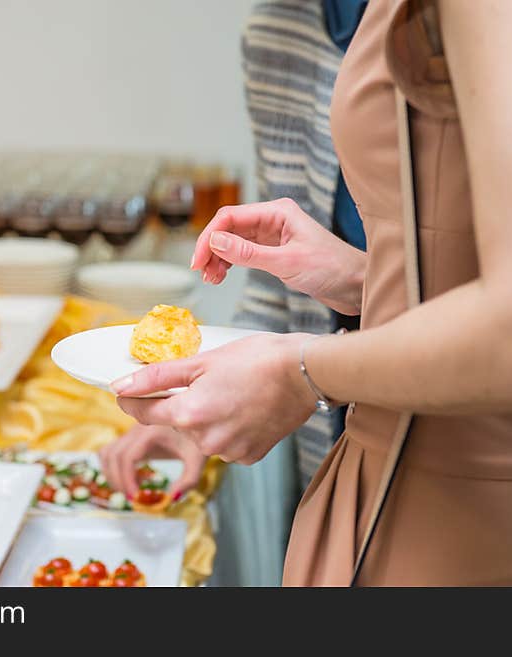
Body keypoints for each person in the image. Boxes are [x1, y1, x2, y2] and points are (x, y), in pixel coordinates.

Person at [112, 0, 512, 585]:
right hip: (392, 484)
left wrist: (303, 373)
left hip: (491, 516)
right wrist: (369, 280)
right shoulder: (283, 25)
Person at [100, 0, 365, 586]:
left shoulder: (467, 27)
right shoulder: (279, 28)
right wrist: (192, 406)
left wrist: (309, 373)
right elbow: (284, 288)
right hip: (338, 469)